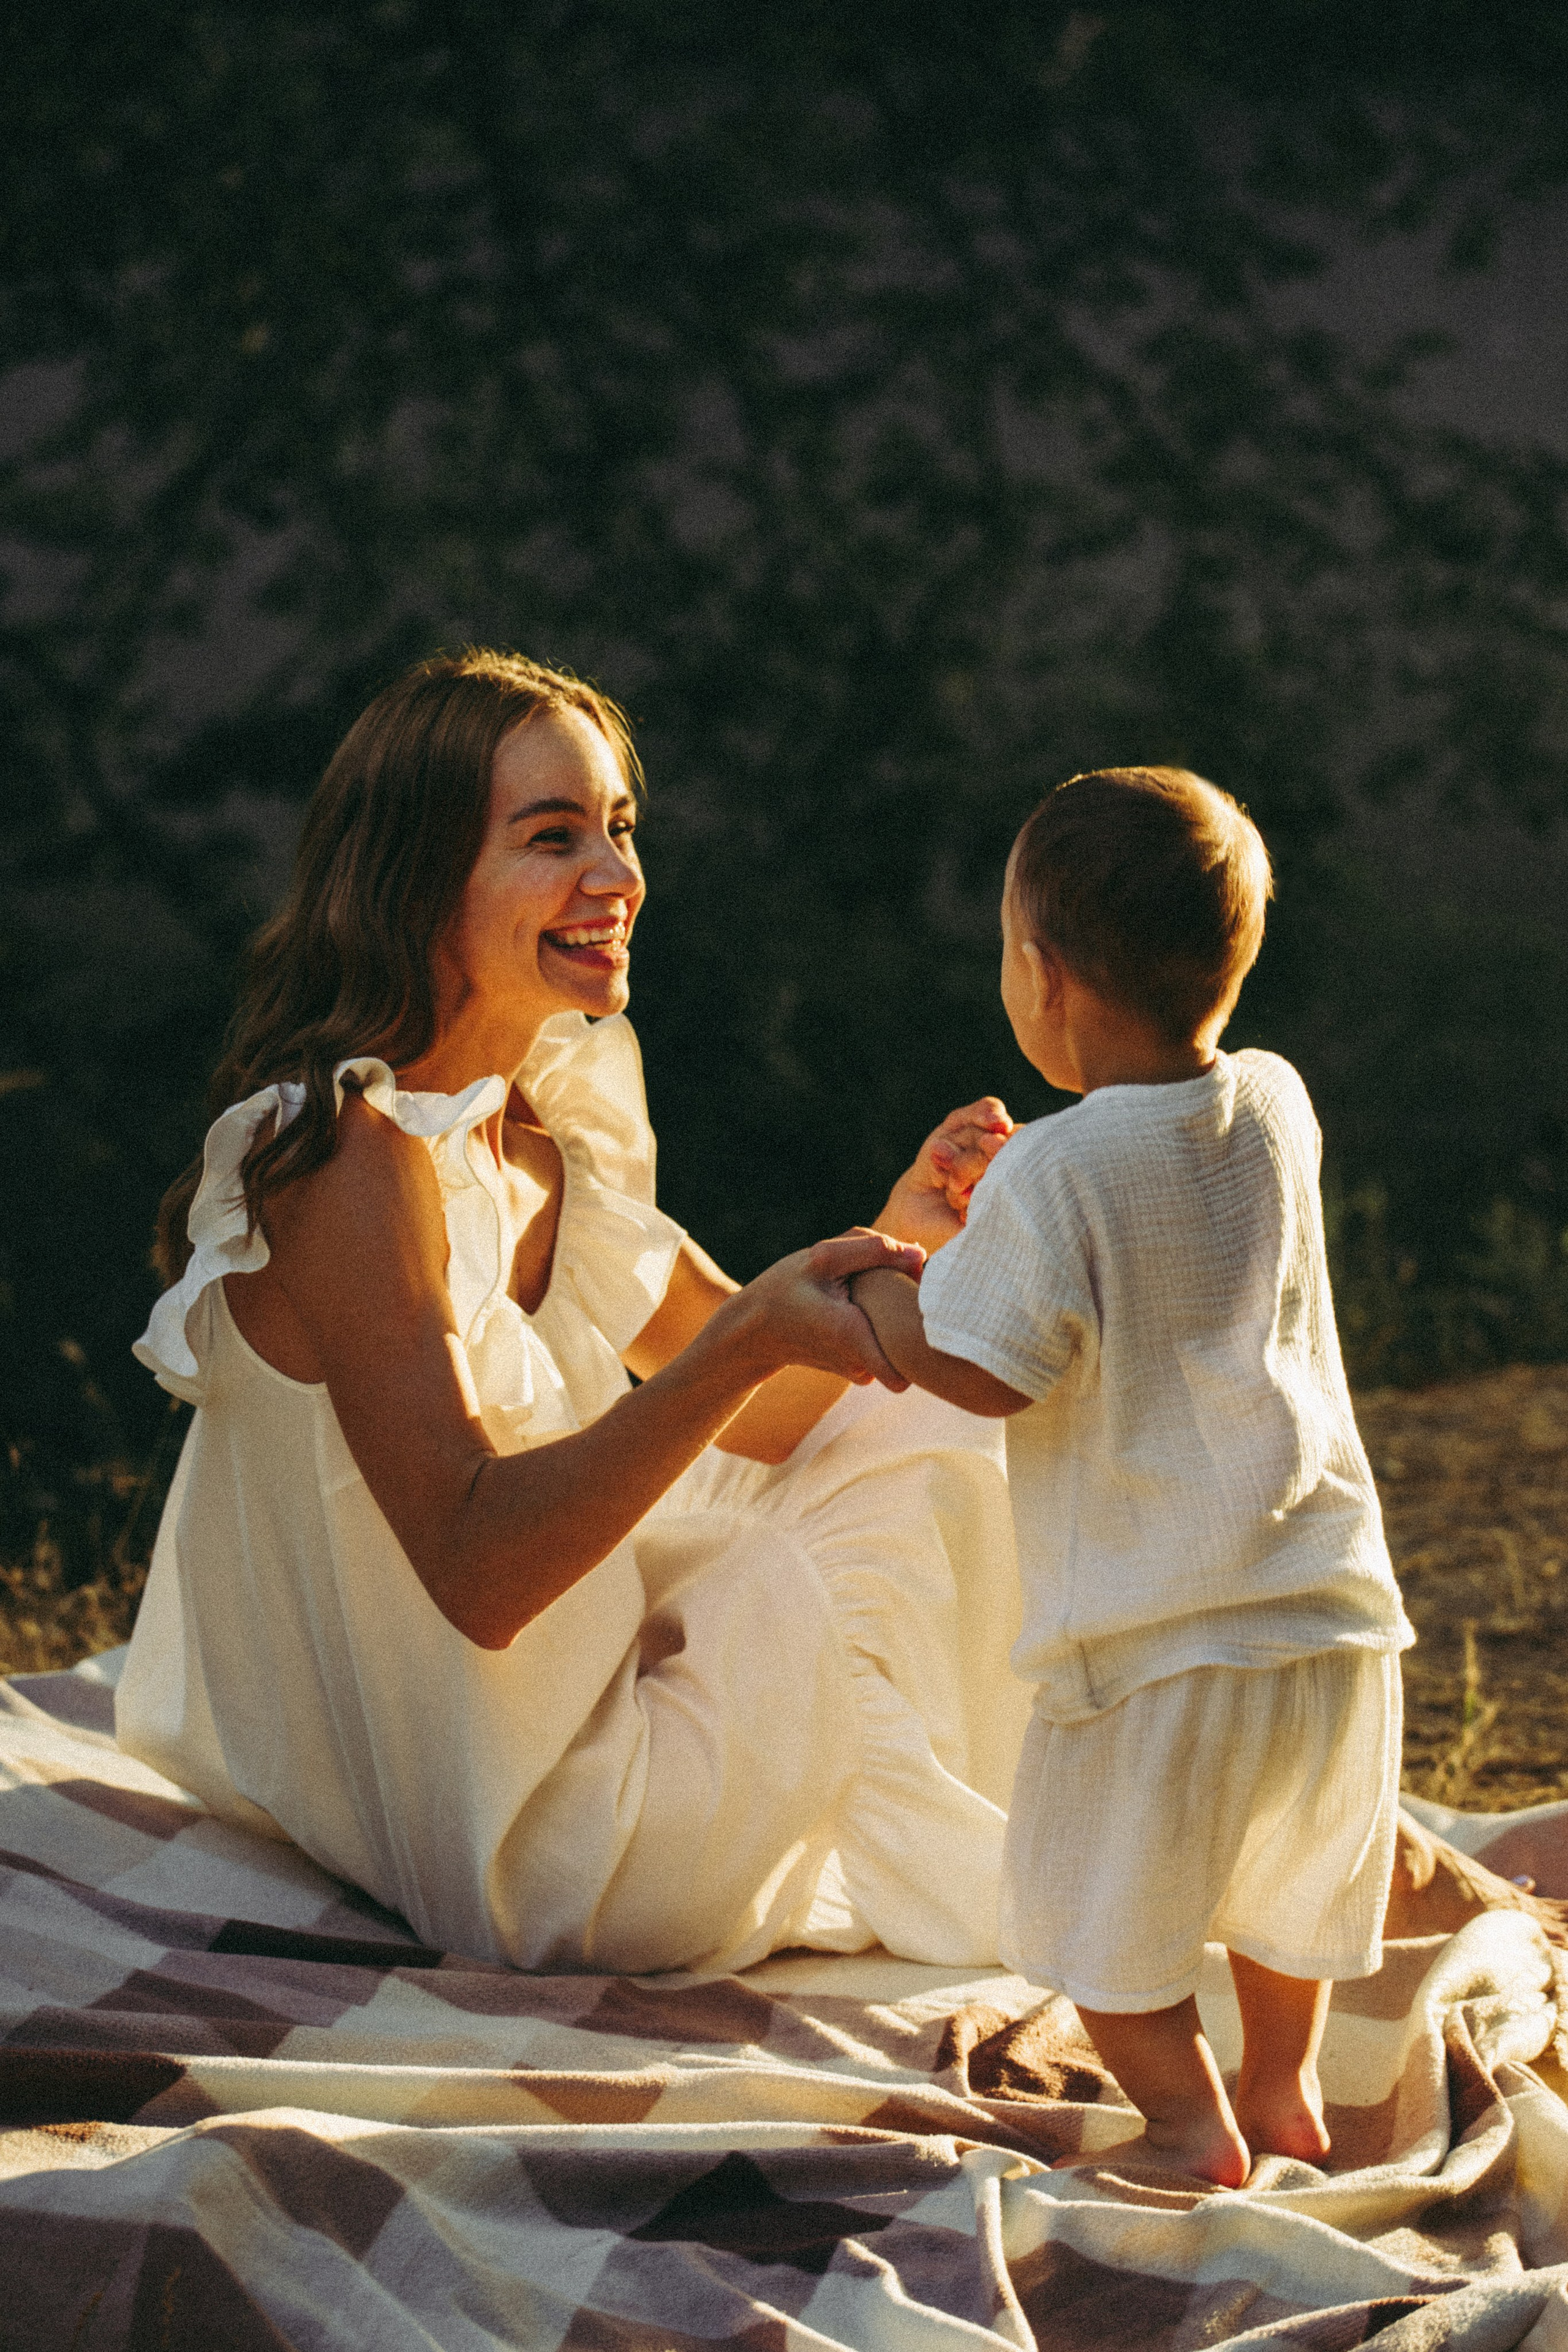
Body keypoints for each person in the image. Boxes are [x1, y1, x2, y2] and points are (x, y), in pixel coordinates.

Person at [115, 648, 1034, 1975]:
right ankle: (1078, 1831)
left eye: (619, 828)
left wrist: (905, 1227)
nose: (617, 877)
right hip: (550, 1847)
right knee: (885, 1477)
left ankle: (1076, 1798)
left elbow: (781, 1418)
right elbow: (481, 1573)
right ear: (418, 876)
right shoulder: (348, 1160)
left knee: (941, 1401)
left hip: (568, 1725)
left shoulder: (536, 1132)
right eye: (553, 838)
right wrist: (741, 1344)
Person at [850, 767, 1415, 2187]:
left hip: (1155, 1641)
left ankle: (1183, 2121)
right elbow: (1158, 1217)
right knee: (1280, 1886)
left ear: (1040, 977)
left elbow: (982, 1367)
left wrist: (881, 1289)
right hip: (1323, 1611)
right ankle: (1280, 2086)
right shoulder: (1275, 1103)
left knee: (1100, 1915)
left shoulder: (1050, 1171)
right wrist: (1014, 1206)